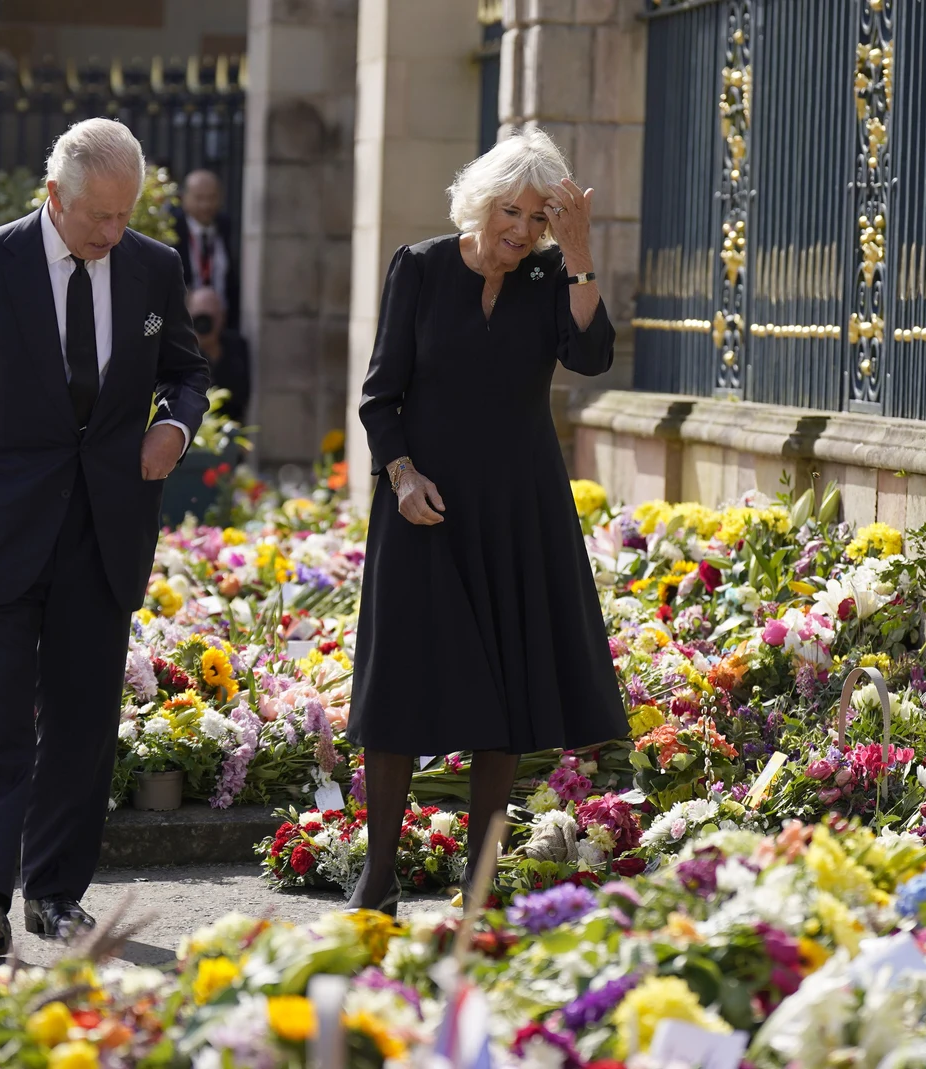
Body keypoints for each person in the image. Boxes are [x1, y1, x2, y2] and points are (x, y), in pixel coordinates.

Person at [0, 118, 209, 956]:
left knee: (81, 721)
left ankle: (57, 896)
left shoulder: (153, 267)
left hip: (104, 531)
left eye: (125, 215)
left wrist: (173, 429)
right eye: (98, 217)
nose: (114, 234)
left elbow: (187, 371)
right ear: (53, 197)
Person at [347, 129, 623, 913]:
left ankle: (480, 880)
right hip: (422, 504)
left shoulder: (549, 274)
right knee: (398, 689)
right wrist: (401, 476)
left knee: (502, 700)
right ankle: (379, 870)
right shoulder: (422, 267)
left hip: (517, 508)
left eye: (539, 219)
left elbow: (592, 355)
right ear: (482, 201)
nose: (522, 230)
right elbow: (379, 396)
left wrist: (578, 253)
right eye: (513, 211)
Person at [168, 169, 238, 320]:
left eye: (212, 198)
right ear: (184, 198)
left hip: (221, 319)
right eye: (199, 198)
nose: (206, 205)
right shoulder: (171, 229)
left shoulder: (224, 226)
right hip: (183, 318)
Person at [187, 286, 250, 422]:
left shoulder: (235, 347)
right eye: (200, 318)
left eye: (211, 317)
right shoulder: (180, 350)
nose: (205, 324)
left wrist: (214, 350)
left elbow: (239, 397)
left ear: (222, 316)